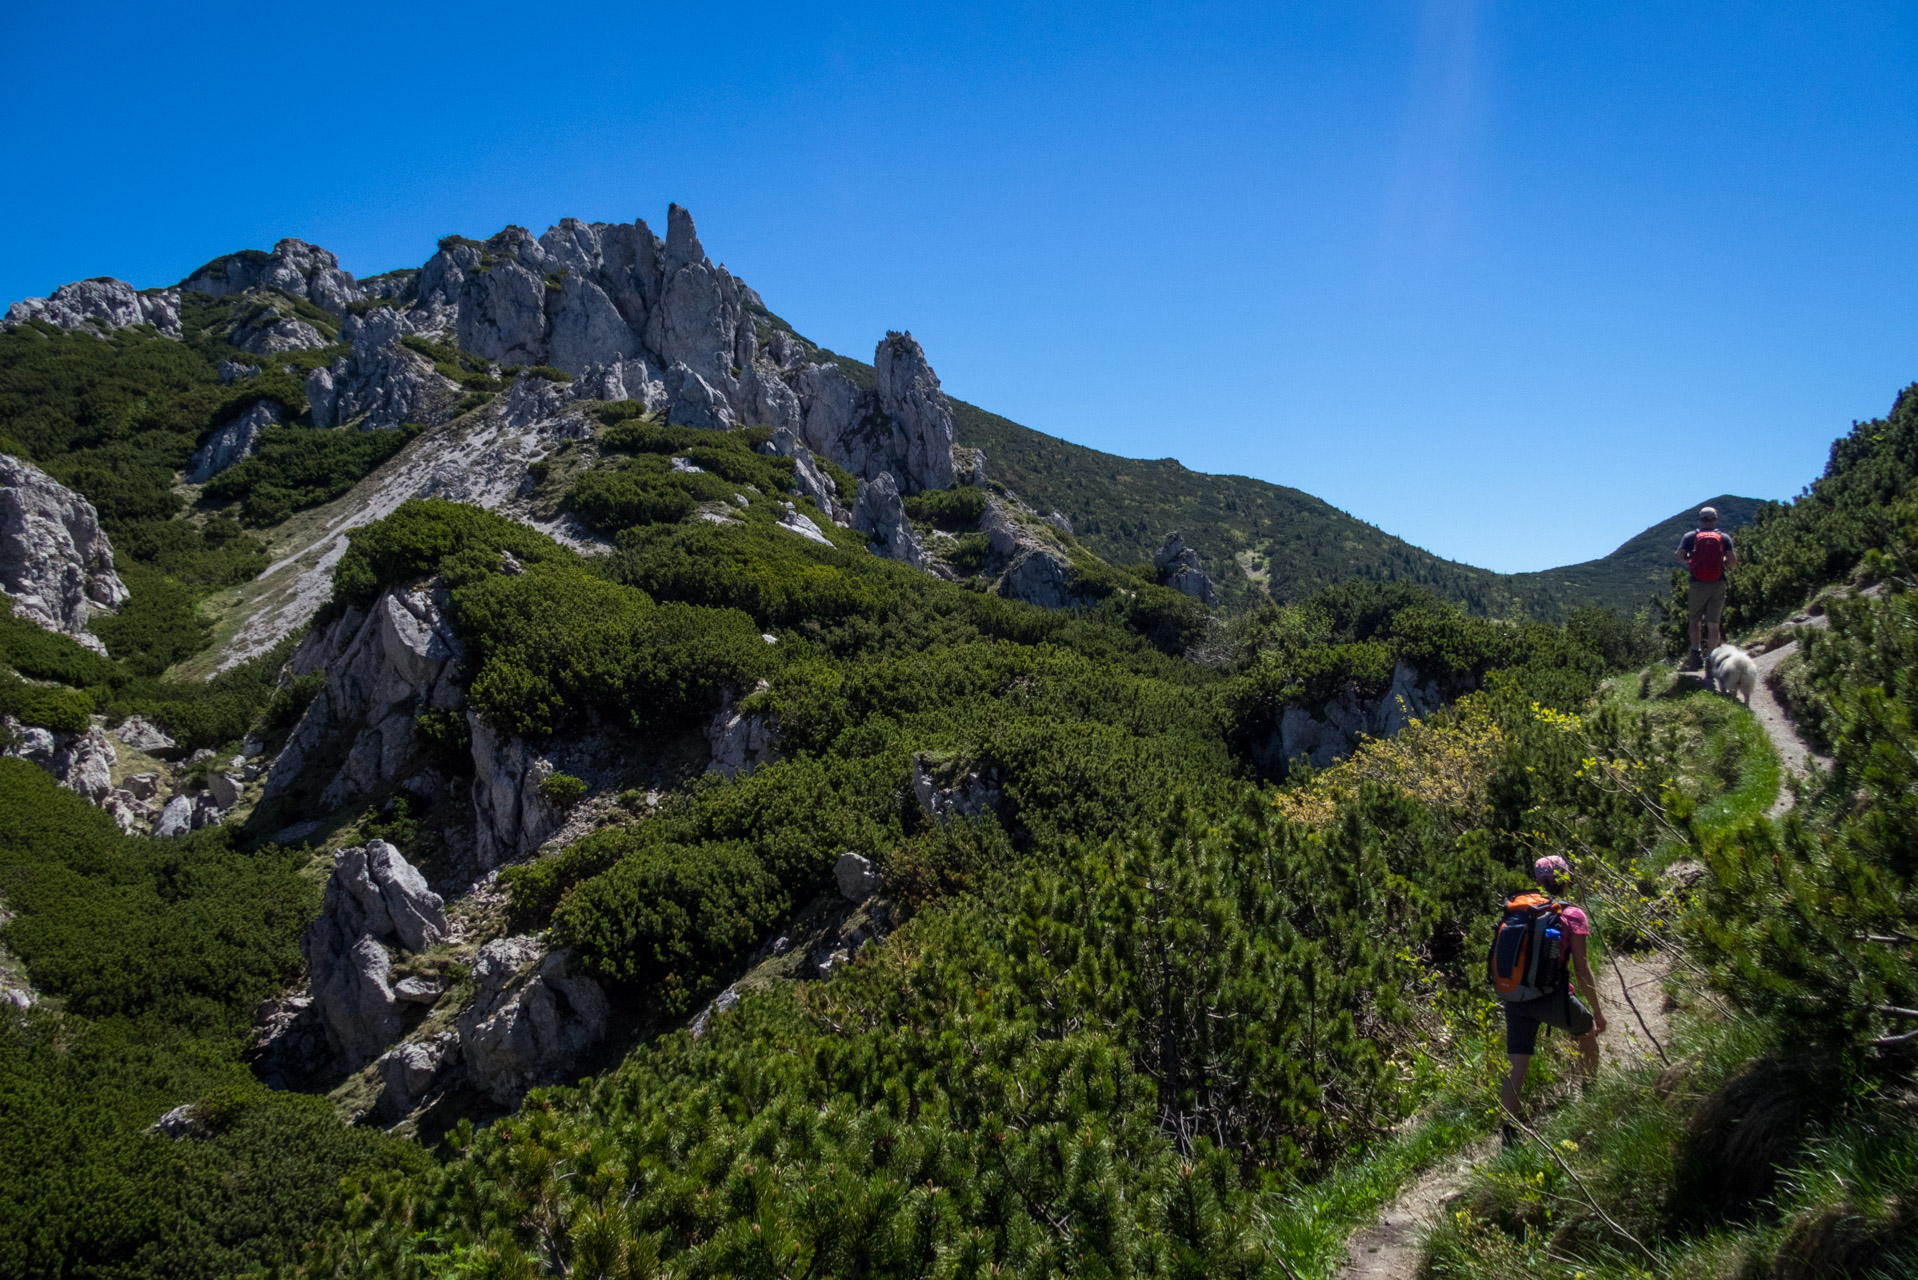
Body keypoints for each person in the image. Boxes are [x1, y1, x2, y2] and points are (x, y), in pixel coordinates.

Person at [1499, 855, 1606, 1144]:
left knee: (1516, 1065)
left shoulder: (1519, 909)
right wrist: (1597, 1012)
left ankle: (1509, 1135)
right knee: (1585, 1029)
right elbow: (1583, 970)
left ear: (1538, 880)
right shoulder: (1573, 915)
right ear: (1565, 878)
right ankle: (1591, 1094)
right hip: (1550, 997)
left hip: (1515, 997)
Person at [1676, 506, 1736, 670]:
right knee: (1713, 625)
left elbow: (1679, 556)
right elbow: (1732, 562)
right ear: (1715, 519)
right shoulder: (1723, 537)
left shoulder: (1690, 537)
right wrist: (1721, 560)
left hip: (1697, 583)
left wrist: (1692, 555)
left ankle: (1696, 655)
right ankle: (1711, 659)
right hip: (1718, 583)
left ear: (1700, 520)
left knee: (1694, 621)